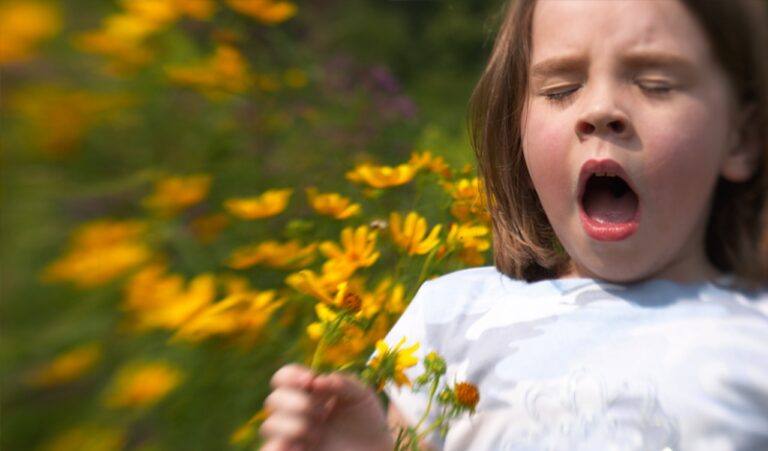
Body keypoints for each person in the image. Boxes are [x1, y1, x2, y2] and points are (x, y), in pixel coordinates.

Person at [260, 0, 768, 449]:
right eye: (561, 88)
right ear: (516, 128)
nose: (599, 111)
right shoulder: (454, 317)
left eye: (655, 84)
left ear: (740, 138)